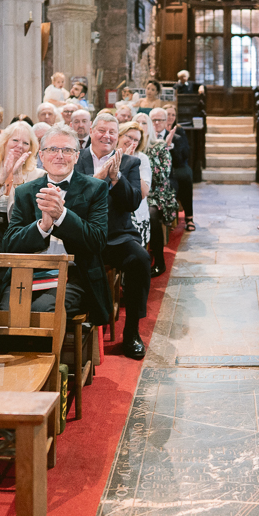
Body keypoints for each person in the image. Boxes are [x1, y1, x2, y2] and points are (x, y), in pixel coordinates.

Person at [0, 124, 111, 328]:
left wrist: (62, 216)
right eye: (52, 149)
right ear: (41, 155)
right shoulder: (25, 191)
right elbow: (10, 244)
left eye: (67, 150)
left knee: (42, 313)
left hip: (74, 275)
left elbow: (97, 241)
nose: (60, 155)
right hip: (29, 274)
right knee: (8, 314)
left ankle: (50, 361)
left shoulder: (96, 188)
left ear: (76, 156)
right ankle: (16, 360)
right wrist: (42, 226)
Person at [74, 113, 150, 358]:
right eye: (102, 131)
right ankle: (84, 330)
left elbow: (133, 203)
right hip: (83, 236)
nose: (106, 136)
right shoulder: (75, 158)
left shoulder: (129, 162)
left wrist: (117, 178)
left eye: (112, 133)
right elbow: (72, 199)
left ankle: (132, 333)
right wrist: (98, 179)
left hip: (117, 236)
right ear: (92, 132)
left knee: (139, 259)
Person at [136, 112, 177, 275]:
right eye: (137, 123)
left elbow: (163, 176)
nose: (140, 126)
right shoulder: (127, 146)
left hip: (157, 194)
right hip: (136, 193)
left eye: (144, 123)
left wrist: (145, 159)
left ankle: (159, 260)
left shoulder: (159, 146)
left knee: (151, 214)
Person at [0, 120, 45, 213]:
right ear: (4, 143)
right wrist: (2, 177)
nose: (20, 146)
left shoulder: (39, 176)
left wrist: (18, 181)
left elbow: (29, 214)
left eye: (26, 143)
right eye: (15, 140)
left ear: (30, 149)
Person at [152, 106, 194, 232]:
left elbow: (182, 158)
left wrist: (169, 147)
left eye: (160, 120)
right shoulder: (148, 136)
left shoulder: (177, 135)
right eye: (154, 120)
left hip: (174, 168)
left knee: (184, 177)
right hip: (154, 171)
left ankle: (188, 217)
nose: (157, 123)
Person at [119, 121, 152, 247]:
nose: (132, 142)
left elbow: (144, 192)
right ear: (119, 135)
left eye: (136, 140)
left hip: (135, 213)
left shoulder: (141, 158)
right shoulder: (108, 153)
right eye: (129, 136)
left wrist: (130, 163)